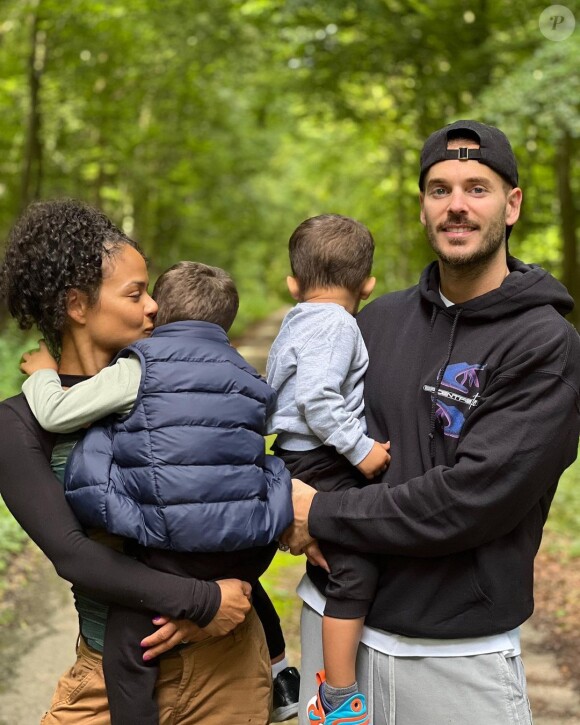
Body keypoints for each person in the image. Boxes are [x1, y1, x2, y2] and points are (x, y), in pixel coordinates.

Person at [283, 121, 580, 725]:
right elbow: (303, 427)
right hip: (334, 622)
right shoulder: (376, 320)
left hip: (455, 651)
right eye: (439, 189)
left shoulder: (545, 345)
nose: (457, 206)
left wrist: (318, 513)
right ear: (422, 208)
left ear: (512, 204)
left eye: (477, 188)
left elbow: (472, 500)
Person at [0, 199, 272, 724]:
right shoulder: (19, 423)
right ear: (77, 306)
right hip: (110, 678)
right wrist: (201, 600)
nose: (154, 306)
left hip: (225, 666)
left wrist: (218, 604)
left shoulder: (186, 388)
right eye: (136, 293)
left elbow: (242, 495)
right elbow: (73, 554)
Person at [266, 214, 390, 723]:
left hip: (295, 456)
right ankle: (338, 697)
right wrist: (361, 450)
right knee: (356, 570)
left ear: (293, 283)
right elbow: (318, 398)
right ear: (368, 285)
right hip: (321, 456)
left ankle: (277, 671)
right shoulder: (338, 322)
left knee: (333, 546)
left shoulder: (296, 318)